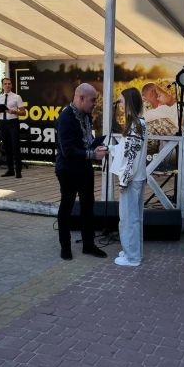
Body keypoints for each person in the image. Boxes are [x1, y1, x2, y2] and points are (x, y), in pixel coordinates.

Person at [55, 83, 109, 261]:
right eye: (93, 100)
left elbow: (86, 141)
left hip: (84, 168)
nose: (95, 103)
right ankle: (65, 247)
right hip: (68, 170)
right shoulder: (65, 118)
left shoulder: (86, 115)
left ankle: (89, 245)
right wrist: (93, 154)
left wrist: (98, 145)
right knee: (67, 207)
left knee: (88, 208)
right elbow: (68, 151)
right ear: (80, 98)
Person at [109, 88, 148, 267]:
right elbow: (127, 150)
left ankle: (132, 257)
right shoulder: (139, 123)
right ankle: (133, 251)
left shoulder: (135, 125)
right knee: (134, 217)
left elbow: (131, 156)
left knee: (128, 218)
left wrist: (124, 180)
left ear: (130, 102)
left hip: (131, 180)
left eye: (122, 101)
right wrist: (110, 149)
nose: (121, 105)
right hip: (136, 178)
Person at [0, 78, 25, 178]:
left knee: (15, 146)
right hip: (3, 123)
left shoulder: (17, 97)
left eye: (9, 84)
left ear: (11, 85)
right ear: (2, 86)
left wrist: (14, 112)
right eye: (5, 84)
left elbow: (23, 112)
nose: (7, 85)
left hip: (13, 123)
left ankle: (18, 171)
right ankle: (10, 170)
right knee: (7, 147)